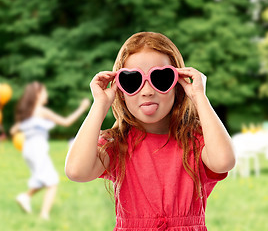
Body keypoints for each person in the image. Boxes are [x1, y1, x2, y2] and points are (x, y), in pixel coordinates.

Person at [65, 32, 235, 230]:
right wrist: (100, 105)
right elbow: (76, 171)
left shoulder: (195, 141)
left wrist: (199, 96)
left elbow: (224, 161)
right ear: (120, 89)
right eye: (132, 81)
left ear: (177, 84)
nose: (147, 90)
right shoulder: (118, 144)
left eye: (161, 78)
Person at [10, 81, 90, 220]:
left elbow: (13, 130)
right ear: (37, 95)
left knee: (41, 178)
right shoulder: (41, 111)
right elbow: (66, 122)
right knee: (52, 182)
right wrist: (82, 108)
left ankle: (25, 197)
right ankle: (44, 215)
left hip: (27, 150)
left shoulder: (26, 114)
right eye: (44, 91)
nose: (46, 94)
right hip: (37, 150)